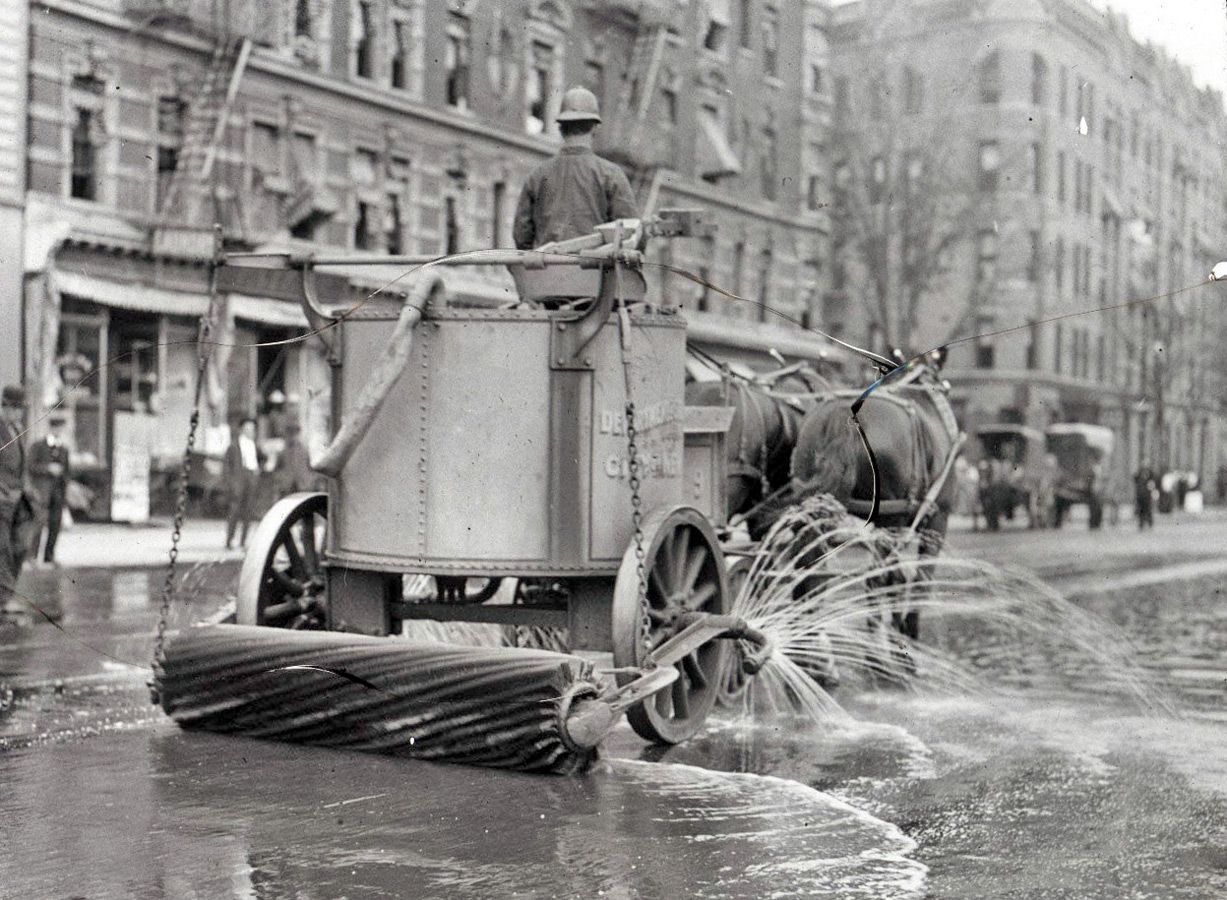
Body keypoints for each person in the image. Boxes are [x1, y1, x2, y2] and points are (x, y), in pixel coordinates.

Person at [512, 86, 639, 252]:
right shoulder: (611, 175)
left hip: (547, 273)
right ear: (595, 127)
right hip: (596, 274)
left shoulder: (536, 176)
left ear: (560, 128)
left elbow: (521, 236)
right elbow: (631, 232)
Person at [1, 386, 34, 619]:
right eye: (16, 409)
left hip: (18, 500)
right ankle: (4, 599)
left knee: (20, 546)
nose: (20, 414)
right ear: (6, 407)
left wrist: (26, 488)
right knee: (2, 548)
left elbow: (21, 465)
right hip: (2, 498)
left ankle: (6, 594)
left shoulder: (17, 429)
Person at [28, 415, 70, 566]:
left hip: (57, 493)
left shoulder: (64, 449)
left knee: (55, 525)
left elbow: (66, 473)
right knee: (38, 523)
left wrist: (65, 494)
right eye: (56, 427)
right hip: (42, 492)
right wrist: (48, 468)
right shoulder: (38, 446)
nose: (58, 431)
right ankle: (32, 556)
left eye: (61, 428)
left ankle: (49, 556)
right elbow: (31, 466)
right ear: (50, 428)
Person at [224, 417, 263, 550]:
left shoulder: (255, 445)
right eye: (248, 429)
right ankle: (229, 541)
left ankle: (243, 541)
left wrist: (259, 470)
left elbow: (263, 458)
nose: (251, 432)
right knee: (234, 511)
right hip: (239, 480)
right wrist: (231, 482)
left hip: (251, 478)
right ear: (242, 430)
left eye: (252, 429)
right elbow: (227, 466)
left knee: (249, 511)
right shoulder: (234, 445)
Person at [1134, 460, 1156, 531]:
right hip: (1140, 494)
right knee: (1141, 510)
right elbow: (1135, 479)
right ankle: (1141, 524)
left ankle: (1150, 524)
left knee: (1148, 509)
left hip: (1147, 494)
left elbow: (1152, 483)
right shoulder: (1139, 472)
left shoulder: (1150, 473)